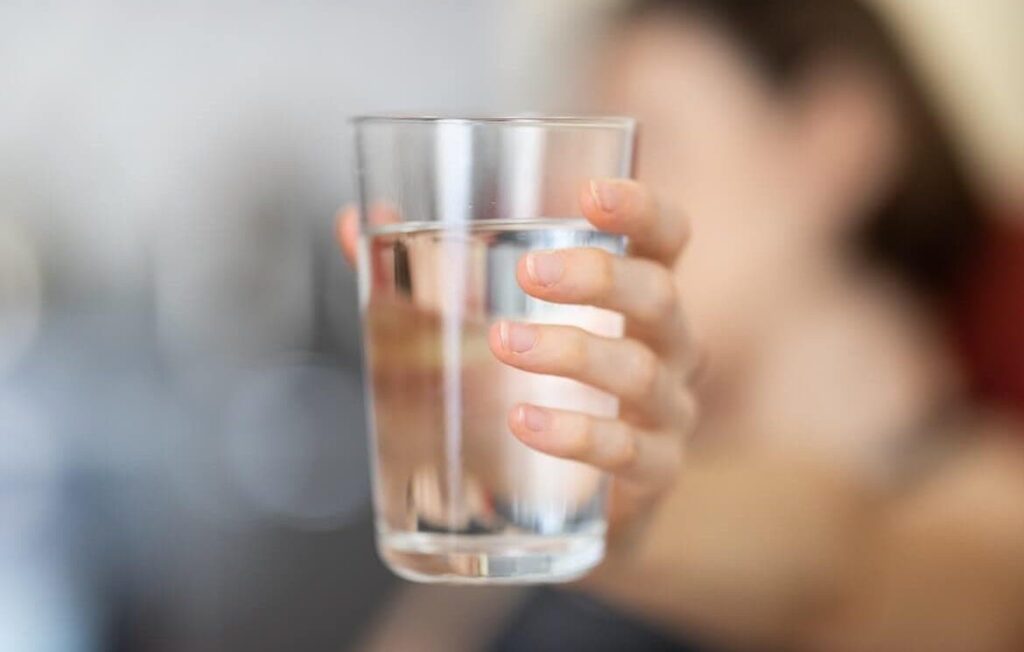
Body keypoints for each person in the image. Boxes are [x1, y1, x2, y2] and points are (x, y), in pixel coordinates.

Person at [338, 0, 1024, 650]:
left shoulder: (985, 500)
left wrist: (623, 522)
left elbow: (841, 570)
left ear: (837, 138)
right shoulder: (558, 469)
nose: (575, 210)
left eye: (650, 143)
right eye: (576, 162)